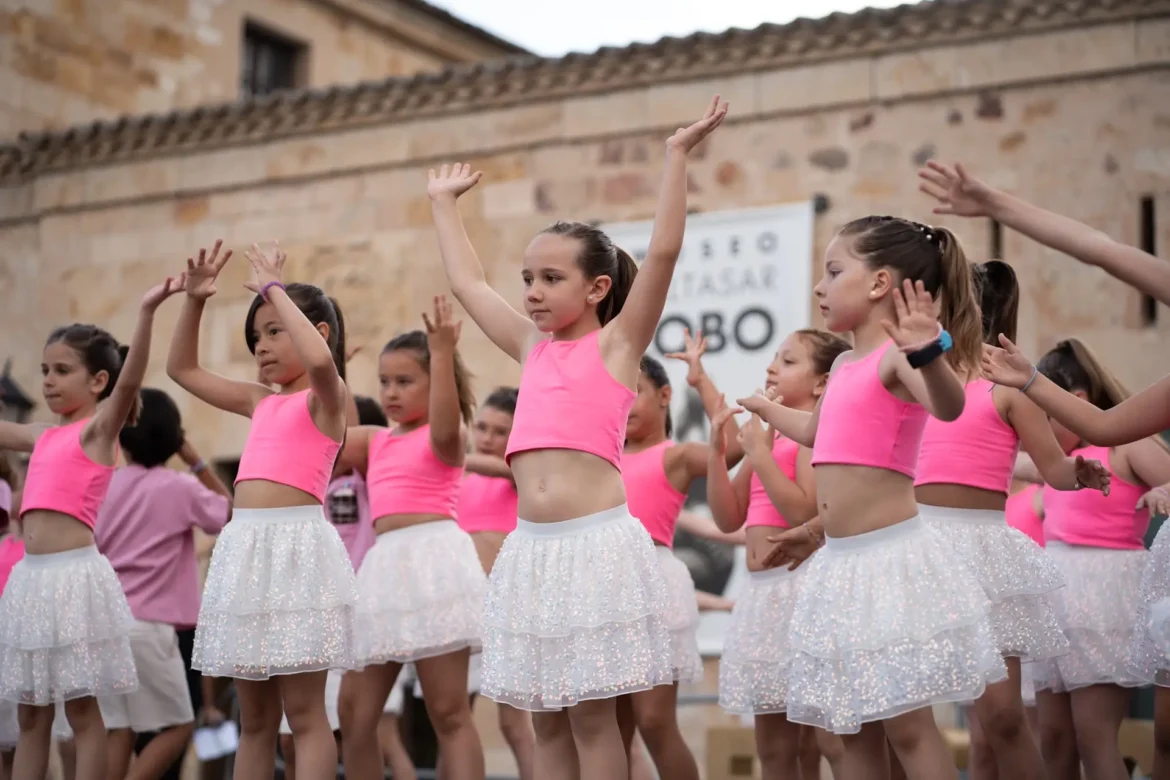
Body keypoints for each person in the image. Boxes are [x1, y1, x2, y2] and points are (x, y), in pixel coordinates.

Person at [428, 96, 726, 780]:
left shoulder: (619, 346)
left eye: (550, 278)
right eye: (528, 278)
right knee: (544, 718)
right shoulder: (530, 348)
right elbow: (468, 282)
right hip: (532, 554)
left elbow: (666, 250)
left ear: (597, 288)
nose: (532, 291)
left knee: (595, 719)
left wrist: (677, 157)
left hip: (596, 547)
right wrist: (444, 204)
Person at [739, 216, 1004, 779]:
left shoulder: (894, 356)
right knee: (850, 728)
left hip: (887, 561)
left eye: (834, 272)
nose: (820, 287)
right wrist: (769, 413)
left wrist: (928, 353)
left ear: (881, 283)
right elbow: (819, 432)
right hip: (839, 566)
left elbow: (948, 407)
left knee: (907, 728)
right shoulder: (842, 364)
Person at [167, 240, 358, 780]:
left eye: (274, 332)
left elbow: (321, 360)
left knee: (304, 715)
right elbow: (181, 368)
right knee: (253, 719)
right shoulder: (260, 401)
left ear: (314, 331)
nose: (262, 347)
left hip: (297, 553)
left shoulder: (327, 397)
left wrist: (274, 285)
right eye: (256, 338)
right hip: (246, 553)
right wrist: (195, 301)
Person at [914, 260, 1112, 780]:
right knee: (906, 713)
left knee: (1001, 718)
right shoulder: (914, 375)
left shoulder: (1006, 386)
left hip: (981, 554)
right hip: (916, 549)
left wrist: (1078, 471)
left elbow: (1052, 468)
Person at [984, 339, 1170, 780]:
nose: (1039, 427)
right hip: (1056, 599)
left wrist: (1161, 491)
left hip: (1104, 597)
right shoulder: (1058, 463)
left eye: (1045, 415)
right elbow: (997, 459)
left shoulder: (1126, 447)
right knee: (1052, 738)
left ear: (1076, 401)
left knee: (1094, 736)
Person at [334, 296, 486, 780]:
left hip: (434, 562)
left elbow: (445, 422)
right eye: (384, 382)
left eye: (404, 381)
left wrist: (441, 353)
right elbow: (323, 433)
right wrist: (325, 365)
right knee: (355, 715)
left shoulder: (447, 435)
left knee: (447, 712)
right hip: (384, 570)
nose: (391, 392)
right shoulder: (375, 440)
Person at [708, 328, 849, 780]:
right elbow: (728, 517)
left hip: (801, 589)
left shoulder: (811, 437)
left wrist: (761, 456)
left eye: (788, 361)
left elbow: (803, 510)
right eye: (774, 358)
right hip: (761, 597)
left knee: (826, 738)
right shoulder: (766, 438)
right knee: (772, 744)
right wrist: (719, 452)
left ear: (822, 384)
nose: (771, 367)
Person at [619, 331, 742, 780]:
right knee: (614, 729)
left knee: (654, 721)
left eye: (634, 391)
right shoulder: (601, 459)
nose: (624, 402)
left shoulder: (675, 455)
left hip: (653, 583)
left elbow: (735, 449)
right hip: (602, 587)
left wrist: (700, 380)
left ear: (664, 395)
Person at [93, 387, 231, 780]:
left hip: (108, 626)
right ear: (174, 438)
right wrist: (197, 461)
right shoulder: (179, 487)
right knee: (180, 725)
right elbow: (229, 513)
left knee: (119, 730)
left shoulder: (108, 486)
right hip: (152, 630)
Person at [456, 386, 536, 780]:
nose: (486, 438)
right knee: (453, 717)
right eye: (481, 427)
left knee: (514, 722)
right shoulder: (460, 479)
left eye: (499, 431)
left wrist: (451, 457)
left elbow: (507, 468)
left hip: (506, 608)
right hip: (461, 608)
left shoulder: (517, 474)